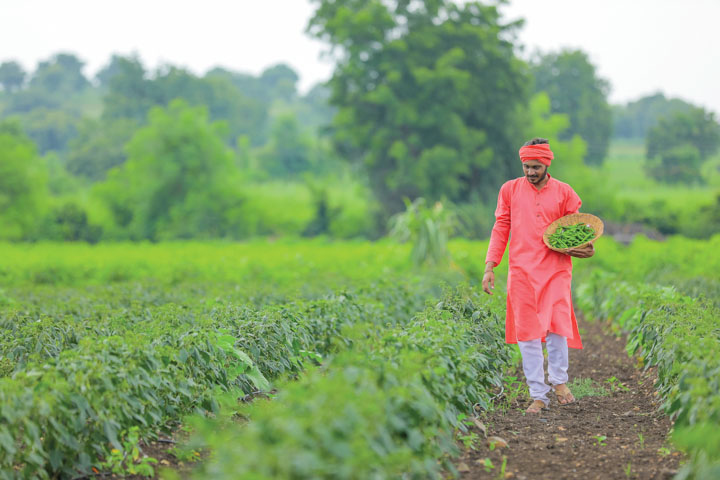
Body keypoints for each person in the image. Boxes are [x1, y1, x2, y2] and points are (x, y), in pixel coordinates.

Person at [482, 138, 595, 414]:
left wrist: (584, 246)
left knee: (557, 325)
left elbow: (575, 228)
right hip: (521, 270)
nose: (530, 172)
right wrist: (490, 264)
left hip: (556, 268)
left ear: (547, 164)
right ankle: (538, 394)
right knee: (527, 332)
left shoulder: (564, 193)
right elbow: (501, 227)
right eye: (526, 166)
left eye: (535, 167)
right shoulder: (509, 190)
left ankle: (558, 382)